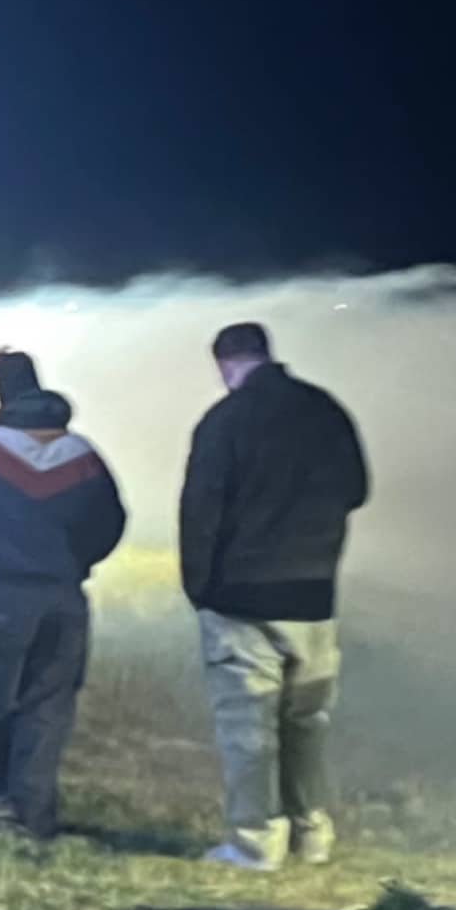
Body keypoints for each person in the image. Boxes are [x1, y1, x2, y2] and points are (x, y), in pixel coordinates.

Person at [178, 321, 371, 870]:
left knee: (248, 728)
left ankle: (254, 842)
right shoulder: (325, 409)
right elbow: (358, 490)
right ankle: (312, 836)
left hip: (241, 598)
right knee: (306, 725)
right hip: (313, 594)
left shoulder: (225, 421)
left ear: (224, 362)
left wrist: (201, 589)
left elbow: (200, 511)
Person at [0, 350, 127, 836]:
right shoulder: (84, 456)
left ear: (4, 402)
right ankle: (32, 816)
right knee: (47, 710)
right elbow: (112, 523)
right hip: (64, 598)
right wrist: (77, 562)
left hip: (0, 596)